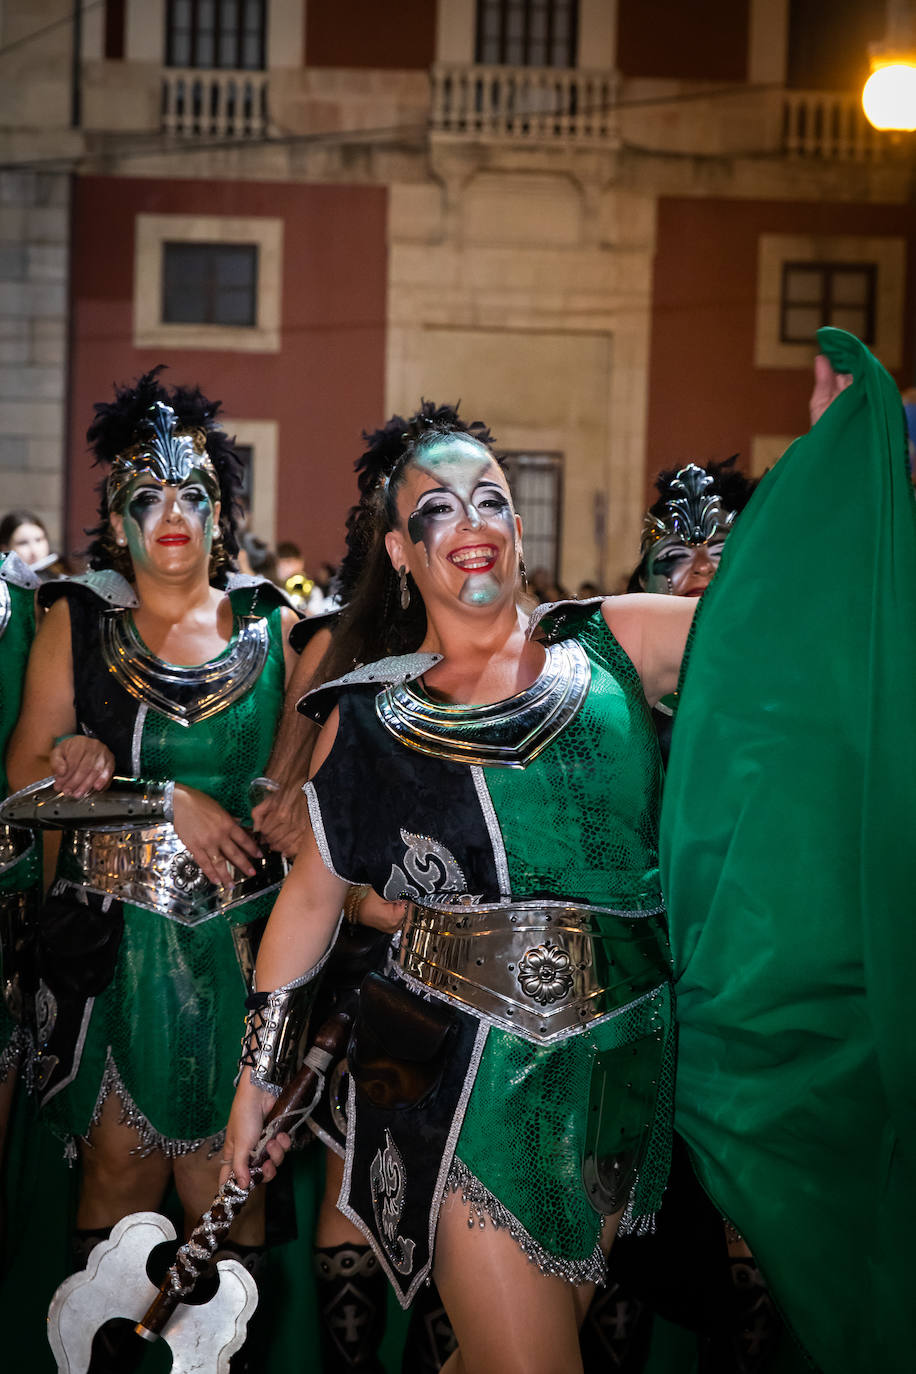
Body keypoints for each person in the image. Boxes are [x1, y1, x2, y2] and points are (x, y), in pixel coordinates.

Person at [223, 402, 697, 1374]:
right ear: (399, 550)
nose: (472, 522)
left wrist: (838, 467)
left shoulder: (613, 643)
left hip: (618, 1079)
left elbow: (785, 627)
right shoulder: (370, 712)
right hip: (466, 1082)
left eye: (491, 499)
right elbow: (312, 901)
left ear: (519, 527)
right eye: (438, 509)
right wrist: (253, 1086)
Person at [5, 368, 298, 1368]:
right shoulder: (76, 624)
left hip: (245, 950)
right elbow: (21, 788)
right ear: (115, 519)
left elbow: (309, 791)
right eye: (146, 497)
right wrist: (147, 790)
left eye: (193, 493)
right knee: (117, 1182)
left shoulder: (274, 624)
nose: (170, 514)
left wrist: (289, 802)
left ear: (222, 512)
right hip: (115, 953)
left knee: (226, 1199)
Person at [0, 509, 67, 580]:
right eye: (23, 543)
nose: (34, 550)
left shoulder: (63, 578)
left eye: (38, 540)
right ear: (5, 549)